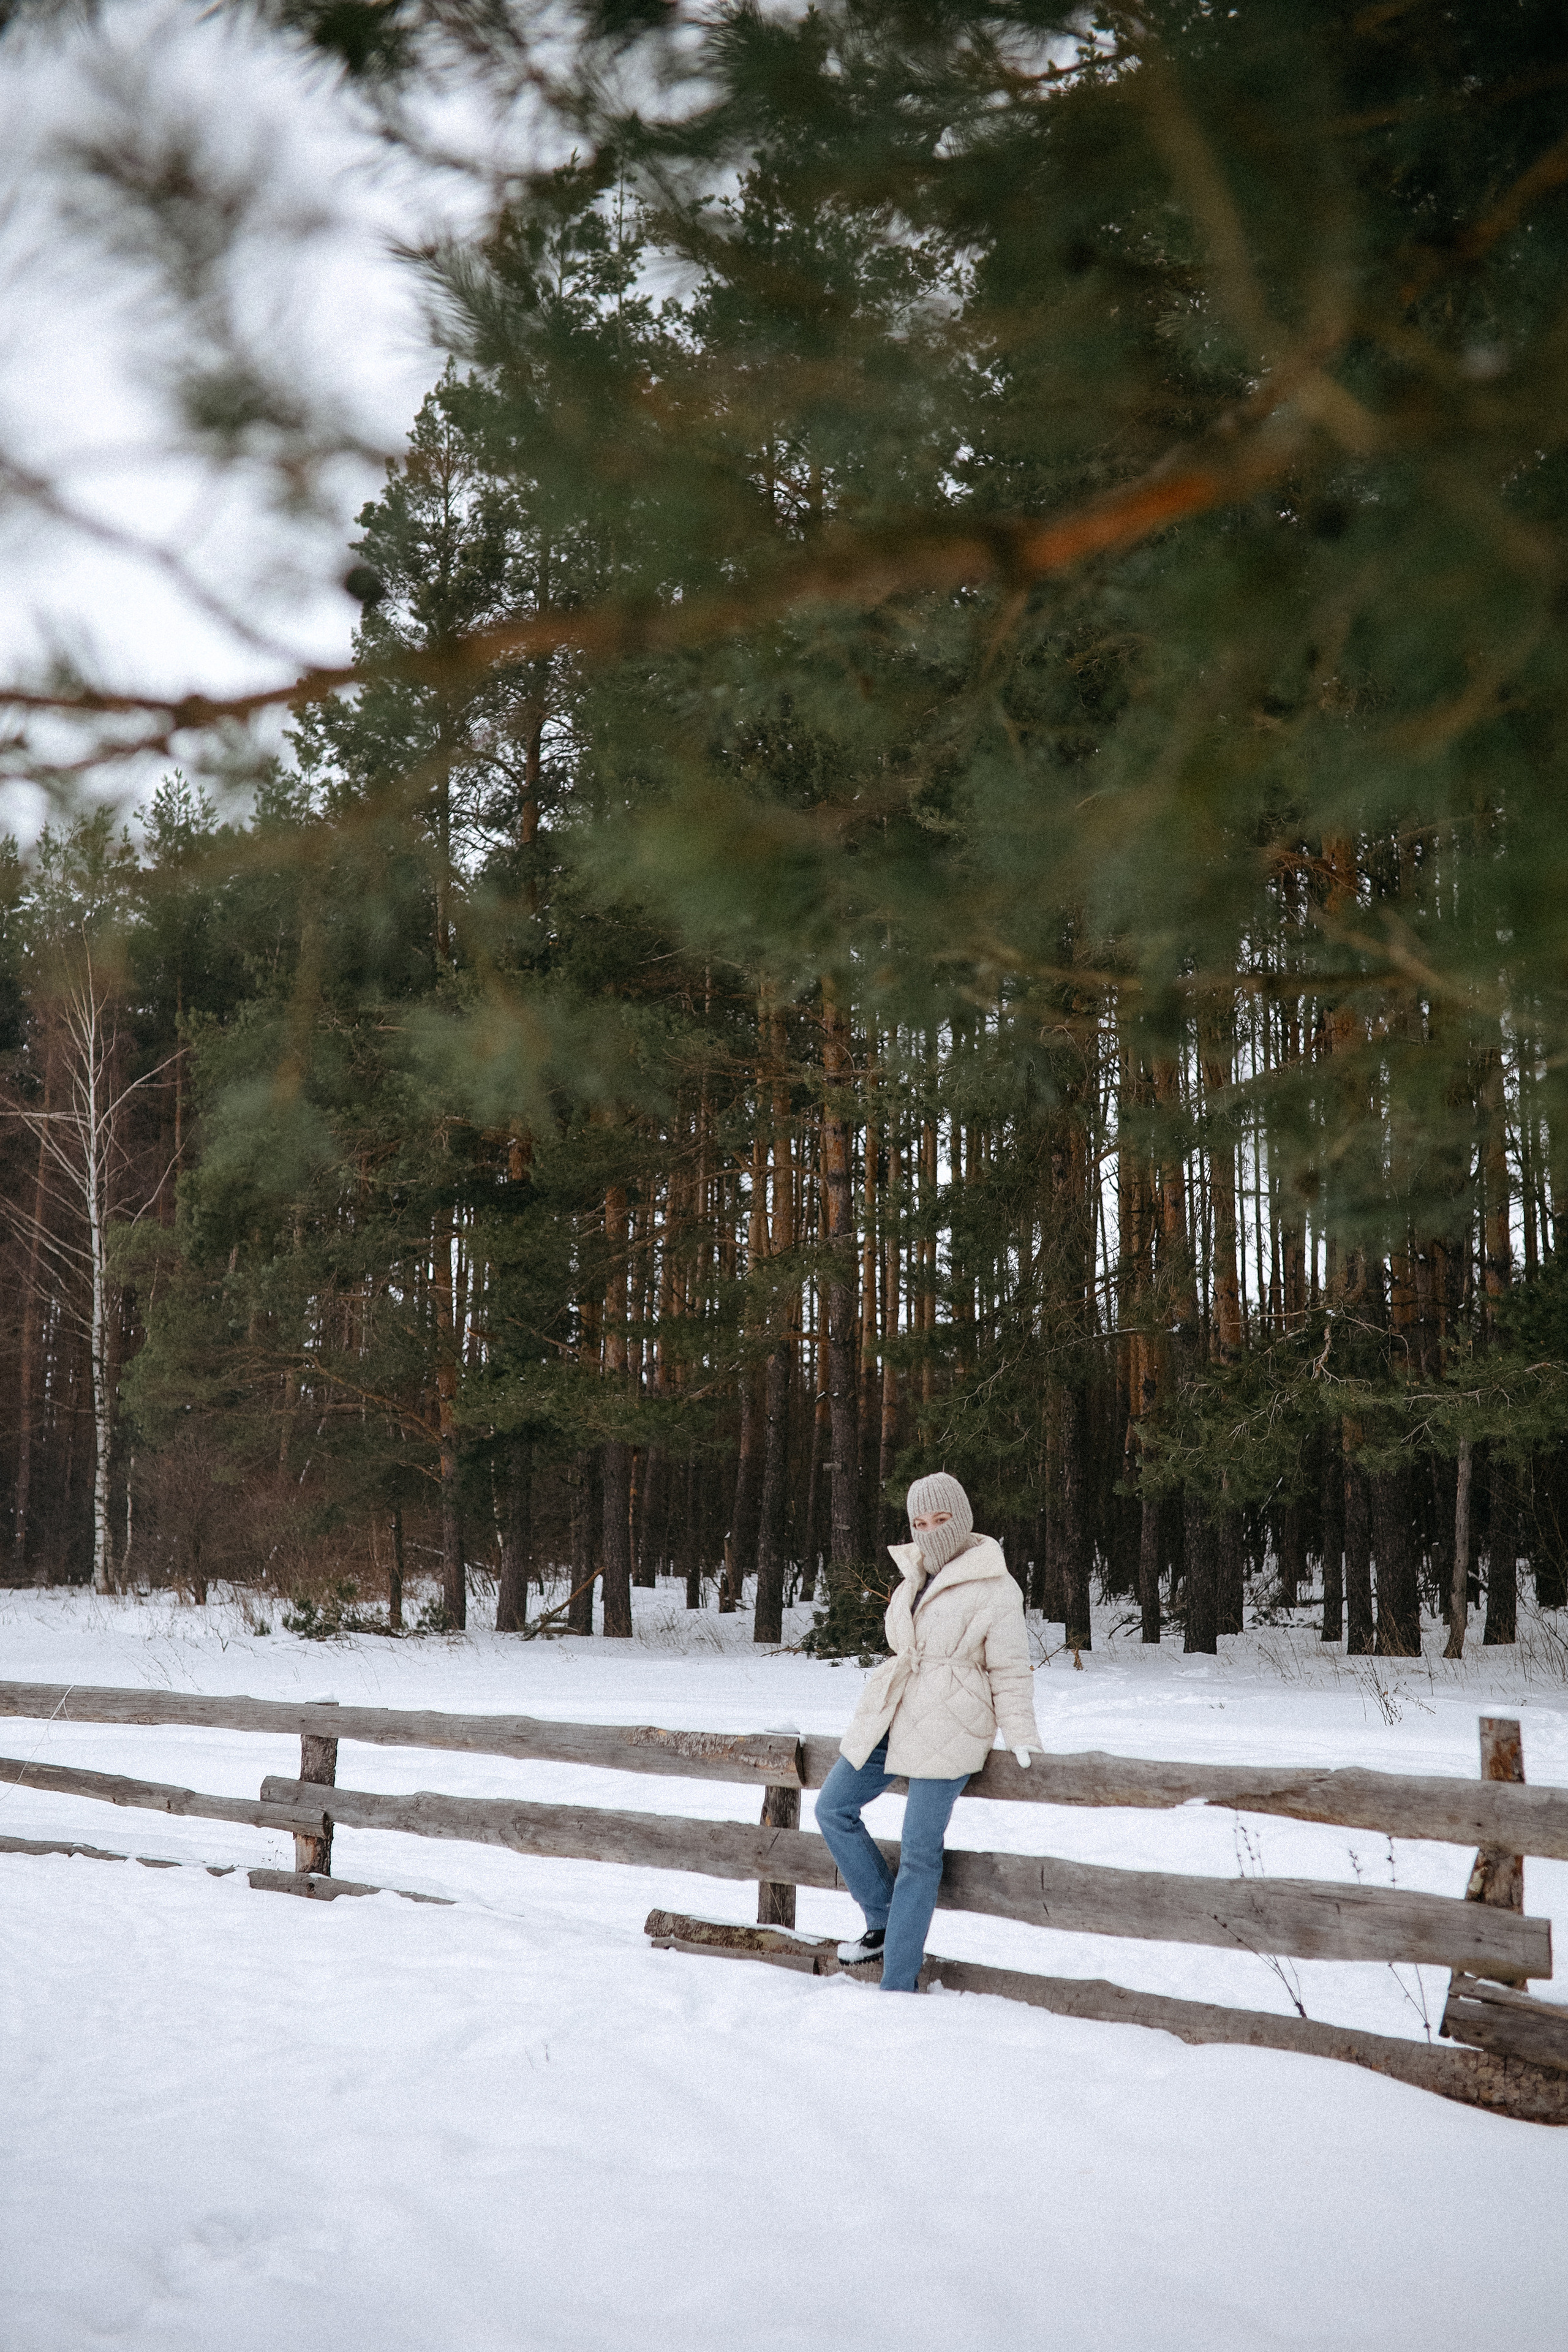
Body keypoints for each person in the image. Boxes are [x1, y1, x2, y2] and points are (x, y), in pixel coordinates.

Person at [813, 1472, 1042, 1992]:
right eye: (919, 1523)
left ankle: (897, 1983)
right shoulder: (912, 1576)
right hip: (895, 1713)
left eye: (941, 1520)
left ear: (962, 1519)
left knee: (919, 1851)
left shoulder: (996, 1585)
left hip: (954, 1721)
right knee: (832, 1808)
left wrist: (1021, 1732)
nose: (930, 1531)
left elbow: (1010, 1668)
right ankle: (883, 1918)